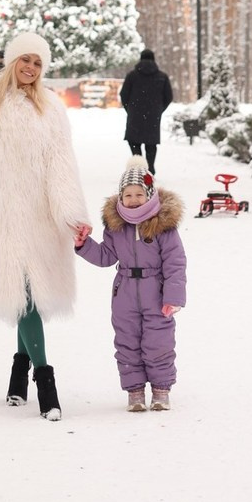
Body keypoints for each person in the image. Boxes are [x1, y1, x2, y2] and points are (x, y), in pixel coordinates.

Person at [0, 31, 91, 421]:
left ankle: (17, 379)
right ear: (11, 60)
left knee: (29, 294)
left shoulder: (50, 108)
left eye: (38, 63)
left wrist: (71, 213)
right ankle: (47, 386)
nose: (30, 68)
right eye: (25, 59)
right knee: (23, 294)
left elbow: (61, 164)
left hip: (40, 215)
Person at [75, 156, 186, 412]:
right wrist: (83, 245)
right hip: (124, 292)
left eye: (139, 194)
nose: (133, 199)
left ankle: (161, 390)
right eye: (128, 195)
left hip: (156, 292)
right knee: (127, 343)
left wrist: (174, 296)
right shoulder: (116, 226)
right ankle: (134, 391)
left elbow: (175, 262)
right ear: (120, 197)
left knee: (159, 343)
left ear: (149, 195)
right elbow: (106, 256)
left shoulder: (162, 227)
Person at [118, 48, 173, 174]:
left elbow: (123, 94)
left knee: (134, 142)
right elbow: (168, 97)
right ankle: (150, 168)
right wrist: (158, 110)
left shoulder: (132, 76)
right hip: (153, 117)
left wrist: (130, 109)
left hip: (135, 116)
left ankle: (139, 166)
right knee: (151, 144)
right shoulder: (162, 77)